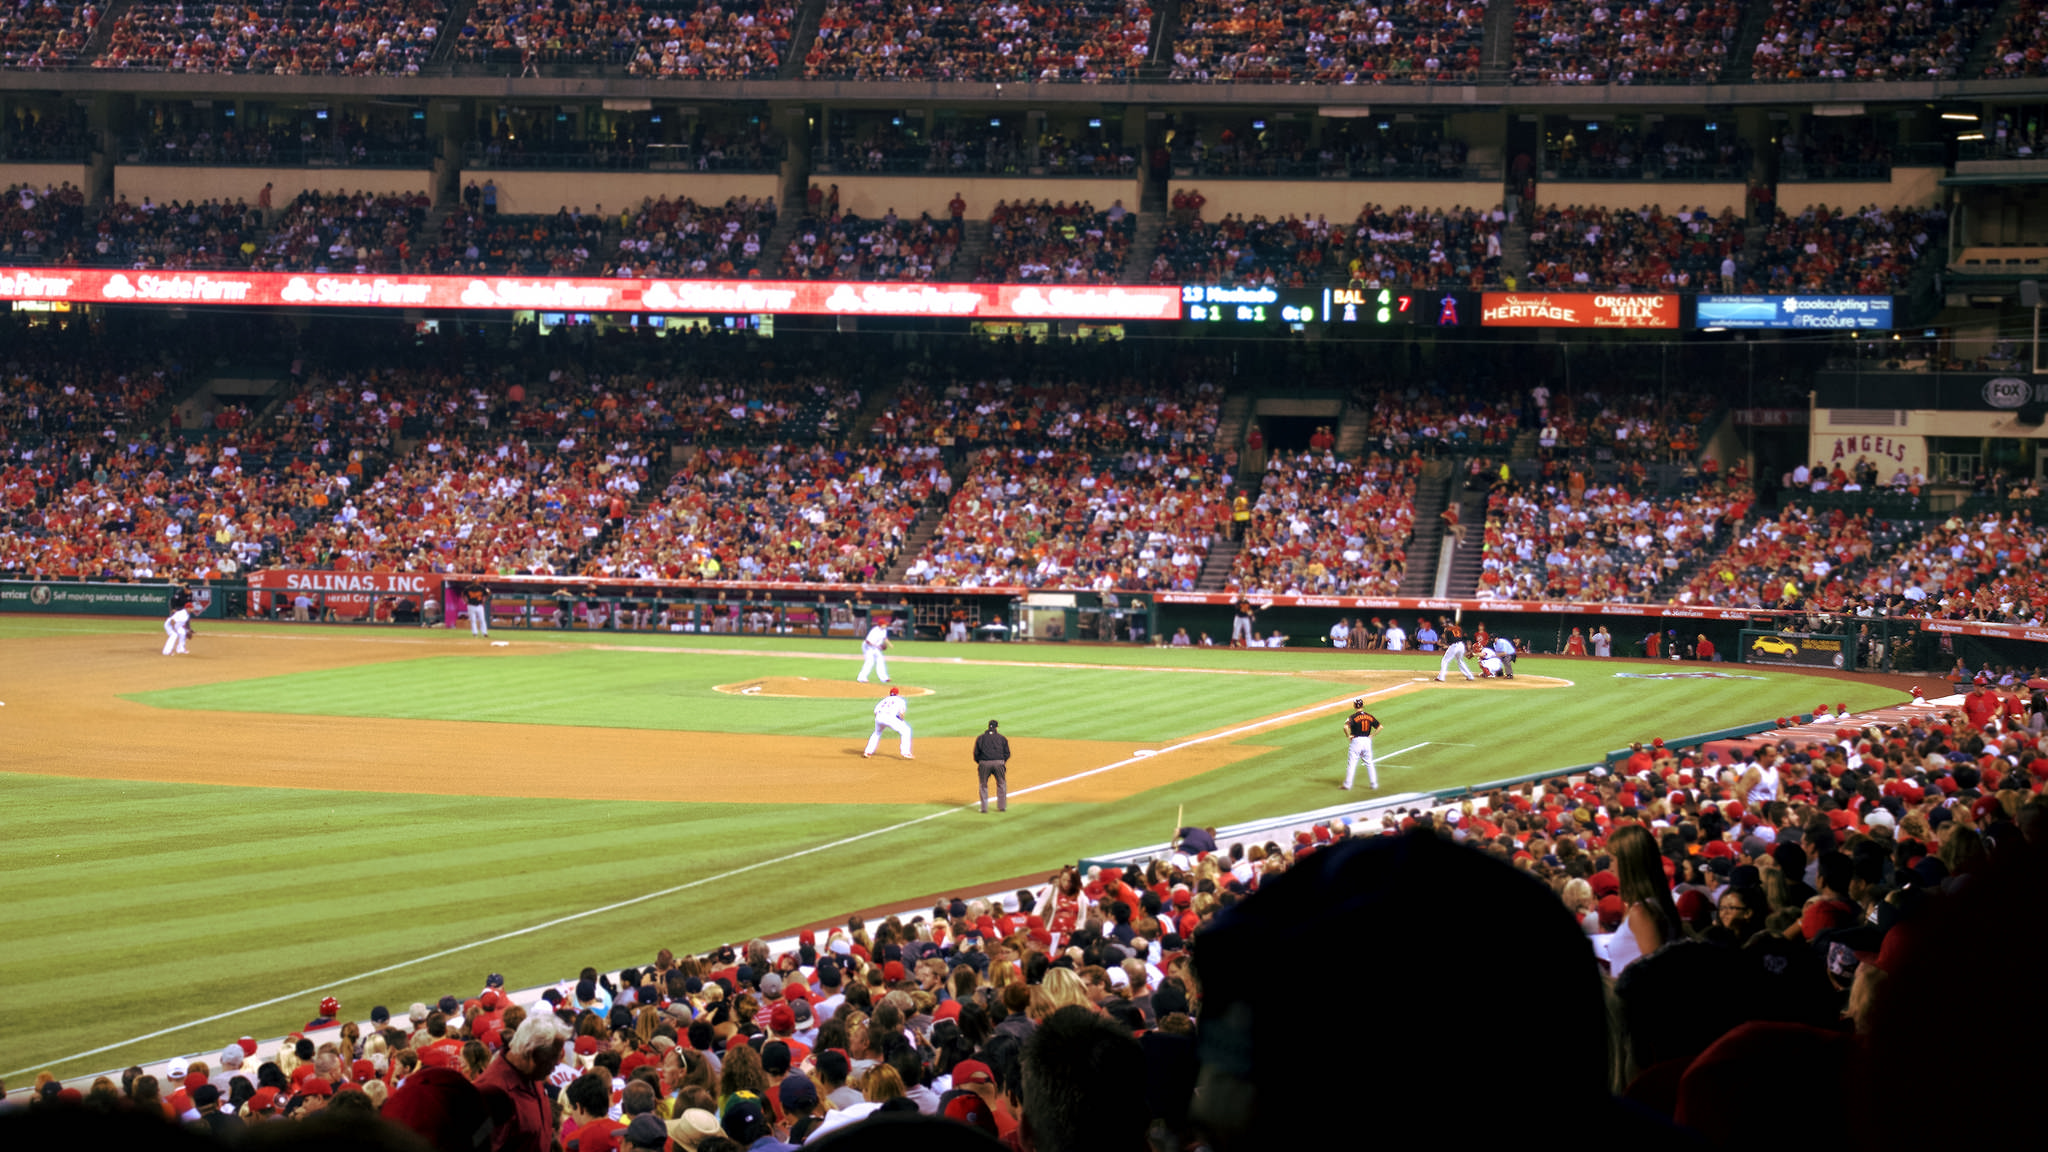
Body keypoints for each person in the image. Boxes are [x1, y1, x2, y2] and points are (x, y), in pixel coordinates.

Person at [478, 1015, 569, 1152]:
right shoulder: (491, 1092)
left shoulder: (533, 1076)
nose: (557, 1063)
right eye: (552, 1057)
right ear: (531, 1054)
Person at [1606, 824, 1679, 975]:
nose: (1610, 867)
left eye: (1612, 859)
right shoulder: (1642, 906)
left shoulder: (1643, 912)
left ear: (1628, 863)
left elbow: (1654, 974)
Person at [1341, 697, 1380, 791]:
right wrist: (1372, 735)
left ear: (1354, 706)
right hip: (1367, 741)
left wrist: (1348, 736)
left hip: (1356, 741)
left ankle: (1347, 785)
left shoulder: (1352, 717)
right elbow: (1380, 727)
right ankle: (1374, 784)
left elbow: (1345, 727)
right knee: (1369, 763)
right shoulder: (1369, 716)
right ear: (1362, 705)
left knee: (1352, 764)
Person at [865, 687, 913, 760]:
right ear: (897, 694)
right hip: (890, 718)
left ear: (890, 694)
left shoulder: (884, 700)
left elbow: (875, 711)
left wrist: (880, 720)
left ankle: (868, 752)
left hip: (879, 717)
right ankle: (906, 752)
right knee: (906, 730)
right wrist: (902, 721)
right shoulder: (900, 700)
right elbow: (901, 714)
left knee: (877, 733)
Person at [973, 719, 1010, 814]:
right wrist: (1001, 761)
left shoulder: (981, 738)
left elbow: (976, 753)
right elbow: (1007, 753)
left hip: (984, 763)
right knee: (1001, 784)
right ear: (996, 727)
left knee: (983, 785)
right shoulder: (1002, 738)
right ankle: (1002, 807)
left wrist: (981, 762)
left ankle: (984, 808)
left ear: (988, 726)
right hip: (999, 762)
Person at [857, 617, 892, 683]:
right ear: (881, 625)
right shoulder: (874, 631)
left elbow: (884, 638)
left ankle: (884, 678)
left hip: (875, 647)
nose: (886, 625)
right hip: (868, 647)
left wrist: (890, 644)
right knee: (870, 662)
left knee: (880, 660)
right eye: (884, 624)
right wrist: (878, 646)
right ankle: (861, 677)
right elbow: (868, 641)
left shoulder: (884, 630)